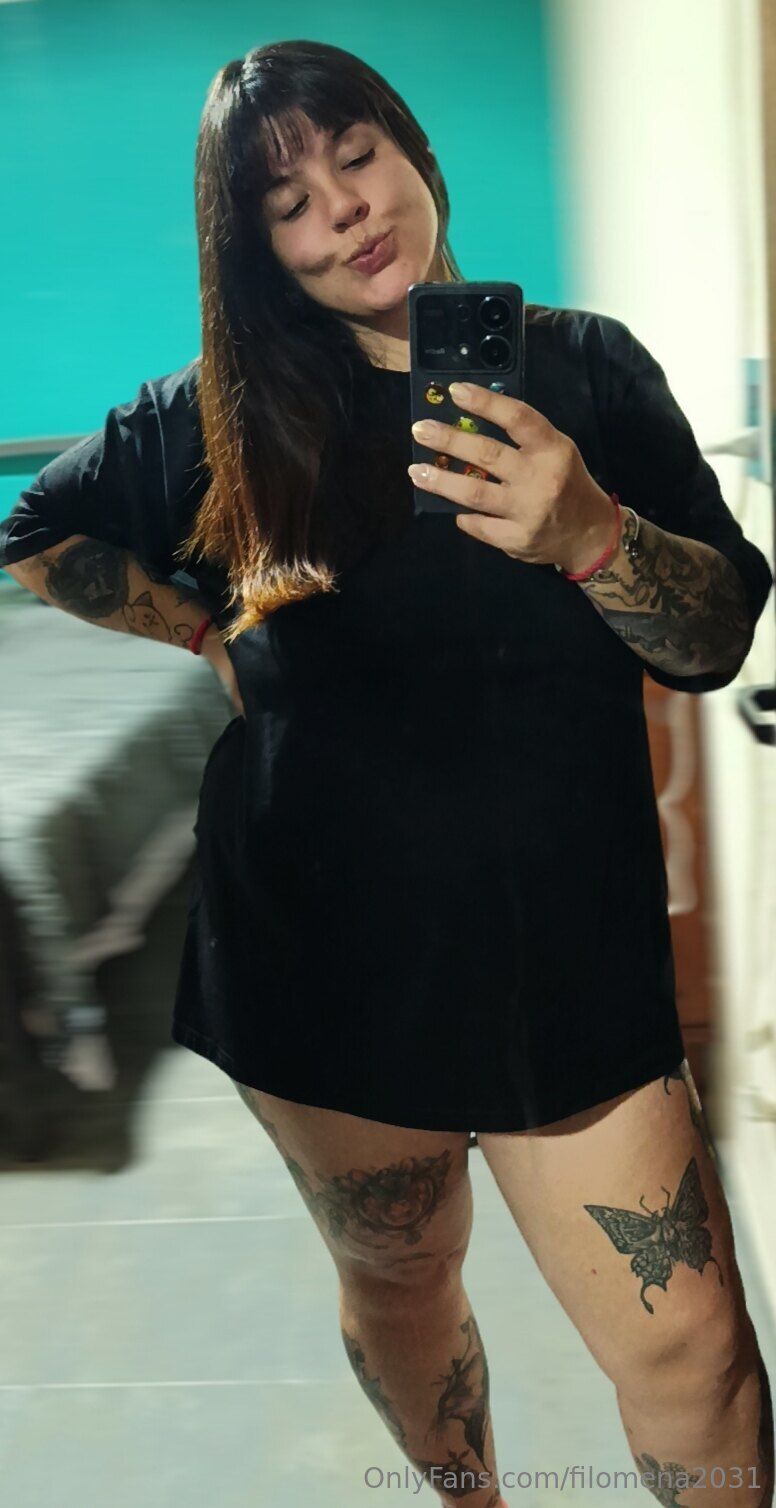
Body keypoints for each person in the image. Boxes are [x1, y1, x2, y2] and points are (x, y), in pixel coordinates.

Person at [1, 37, 773, 1508]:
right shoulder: (214, 419)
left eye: (357, 158)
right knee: (404, 1278)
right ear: (257, 252)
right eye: (288, 203)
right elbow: (38, 533)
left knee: (695, 1352)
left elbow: (715, 639)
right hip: (321, 955)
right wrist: (200, 633)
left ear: (413, 152)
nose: (344, 211)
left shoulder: (589, 370)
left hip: (565, 951)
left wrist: (592, 534)